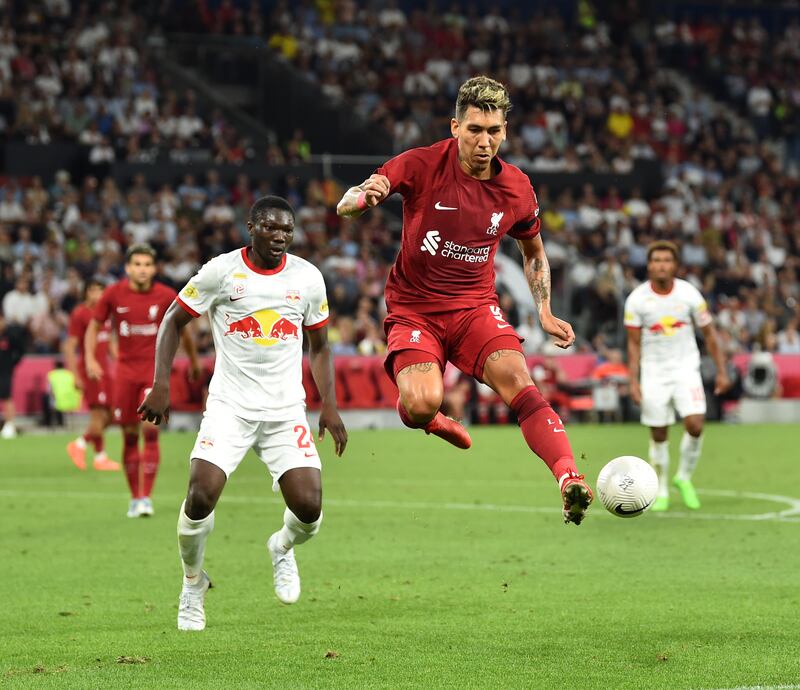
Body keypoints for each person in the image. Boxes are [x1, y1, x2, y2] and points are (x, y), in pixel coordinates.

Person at [336, 75, 592, 524]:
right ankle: (432, 418)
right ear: (455, 127)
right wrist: (360, 198)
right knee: (419, 404)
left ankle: (569, 477)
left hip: (475, 308)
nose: (484, 141)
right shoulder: (420, 164)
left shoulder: (516, 188)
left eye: (494, 131)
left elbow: (533, 252)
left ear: (505, 133)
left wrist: (545, 311)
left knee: (520, 382)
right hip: (415, 308)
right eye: (475, 130)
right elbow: (354, 197)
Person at [138, 196, 347, 632]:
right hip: (229, 407)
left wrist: (328, 403)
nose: (279, 237)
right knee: (199, 496)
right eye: (271, 228)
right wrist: (161, 383)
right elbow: (173, 320)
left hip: (285, 409)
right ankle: (193, 582)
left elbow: (321, 346)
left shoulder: (307, 278)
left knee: (309, 508)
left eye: (287, 230)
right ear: (251, 227)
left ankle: (282, 547)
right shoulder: (221, 271)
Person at [85, 244, 200, 518]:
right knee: (128, 435)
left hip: (153, 373)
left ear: (154, 268)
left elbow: (182, 331)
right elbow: (94, 326)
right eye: (137, 264)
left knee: (150, 430)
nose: (142, 269)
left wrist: (194, 361)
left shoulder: (166, 296)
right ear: (128, 267)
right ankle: (134, 498)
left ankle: (146, 496)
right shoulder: (113, 294)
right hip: (124, 374)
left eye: (147, 264)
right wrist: (90, 358)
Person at [625, 240, 730, 512]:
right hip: (654, 372)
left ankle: (683, 478)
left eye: (666, 260)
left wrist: (721, 370)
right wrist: (633, 381)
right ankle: (660, 488)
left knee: (695, 424)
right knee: (659, 431)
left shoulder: (689, 294)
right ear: (649, 265)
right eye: (656, 260)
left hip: (686, 369)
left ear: (675, 265)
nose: (661, 264)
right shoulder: (637, 299)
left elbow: (710, 335)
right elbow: (633, 344)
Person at [63, 277, 120, 471]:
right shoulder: (80, 314)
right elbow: (69, 346)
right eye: (93, 290)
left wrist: (121, 362)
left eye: (101, 290)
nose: (98, 294)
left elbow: (110, 342)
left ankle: (82, 445)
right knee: (98, 414)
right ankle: (96, 455)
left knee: (111, 414)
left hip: (106, 370)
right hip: (90, 369)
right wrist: (75, 375)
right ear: (86, 292)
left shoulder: (106, 314)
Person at [0, 314, 27, 439]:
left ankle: (10, 425)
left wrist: (12, 363)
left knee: (6, 397)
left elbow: (20, 350)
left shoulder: (10, 335)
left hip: (5, 371)